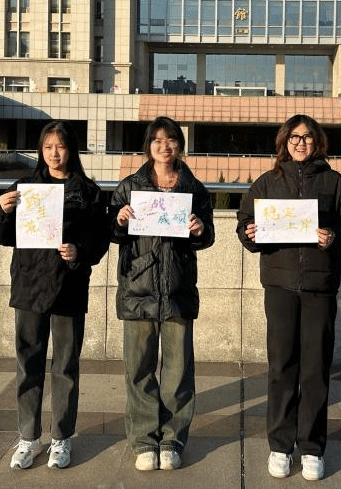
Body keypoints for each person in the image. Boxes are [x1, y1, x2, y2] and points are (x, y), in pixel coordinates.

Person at [236, 114, 341, 481]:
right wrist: (249, 233)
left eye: (307, 137)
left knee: (315, 370)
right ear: (284, 142)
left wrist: (334, 236)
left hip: (320, 285)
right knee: (281, 367)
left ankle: (312, 447)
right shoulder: (268, 182)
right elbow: (244, 222)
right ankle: (280, 445)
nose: (301, 143)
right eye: (294, 137)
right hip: (279, 285)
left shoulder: (334, 182)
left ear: (317, 142)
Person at [0, 120, 110, 470]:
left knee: (65, 366)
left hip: (69, 286)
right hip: (29, 285)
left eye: (61, 146)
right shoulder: (25, 188)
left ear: (72, 150)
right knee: (29, 364)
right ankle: (28, 438)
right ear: (41, 151)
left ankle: (61, 438)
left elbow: (100, 238)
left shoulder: (88, 192)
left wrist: (79, 250)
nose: (55, 153)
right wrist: (1, 210)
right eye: (48, 147)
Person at [109, 116, 215, 472]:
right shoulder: (131, 186)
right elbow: (111, 231)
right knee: (138, 368)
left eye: (170, 139)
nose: (164, 145)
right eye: (157, 140)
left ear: (179, 145)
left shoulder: (193, 188)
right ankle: (143, 440)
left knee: (178, 371)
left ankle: (172, 439)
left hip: (178, 288)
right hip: (138, 288)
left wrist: (199, 229)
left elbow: (208, 235)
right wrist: (119, 220)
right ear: (148, 146)